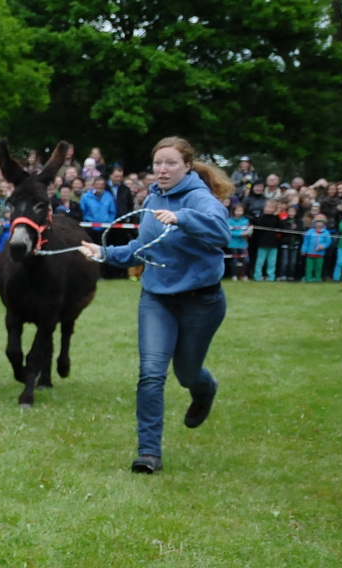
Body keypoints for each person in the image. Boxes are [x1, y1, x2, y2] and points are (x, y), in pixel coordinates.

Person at [81, 137, 231, 474]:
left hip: (201, 302)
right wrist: (103, 254)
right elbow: (142, 248)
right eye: (157, 164)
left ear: (187, 166)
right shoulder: (153, 197)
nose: (161, 170)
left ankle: (204, 390)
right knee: (150, 374)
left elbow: (222, 232)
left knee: (187, 373)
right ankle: (148, 452)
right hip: (157, 299)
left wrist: (182, 218)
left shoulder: (199, 198)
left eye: (170, 163)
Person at [300, 215, 332, 281]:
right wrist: (304, 250)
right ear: (314, 223)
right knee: (309, 267)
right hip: (310, 253)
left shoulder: (326, 233)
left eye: (321, 222)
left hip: (320, 254)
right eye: (317, 222)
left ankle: (317, 278)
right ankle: (308, 278)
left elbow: (328, 242)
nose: (319, 224)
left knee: (318, 267)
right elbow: (306, 242)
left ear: (324, 224)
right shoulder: (310, 232)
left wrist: (323, 246)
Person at [226, 200, 252, 280]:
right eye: (237, 210)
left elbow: (248, 232)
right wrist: (240, 234)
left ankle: (243, 275)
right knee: (235, 260)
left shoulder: (246, 221)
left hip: (243, 244)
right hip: (233, 244)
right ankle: (234, 275)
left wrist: (249, 231)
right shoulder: (229, 221)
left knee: (245, 260)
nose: (239, 212)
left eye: (241, 210)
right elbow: (229, 232)